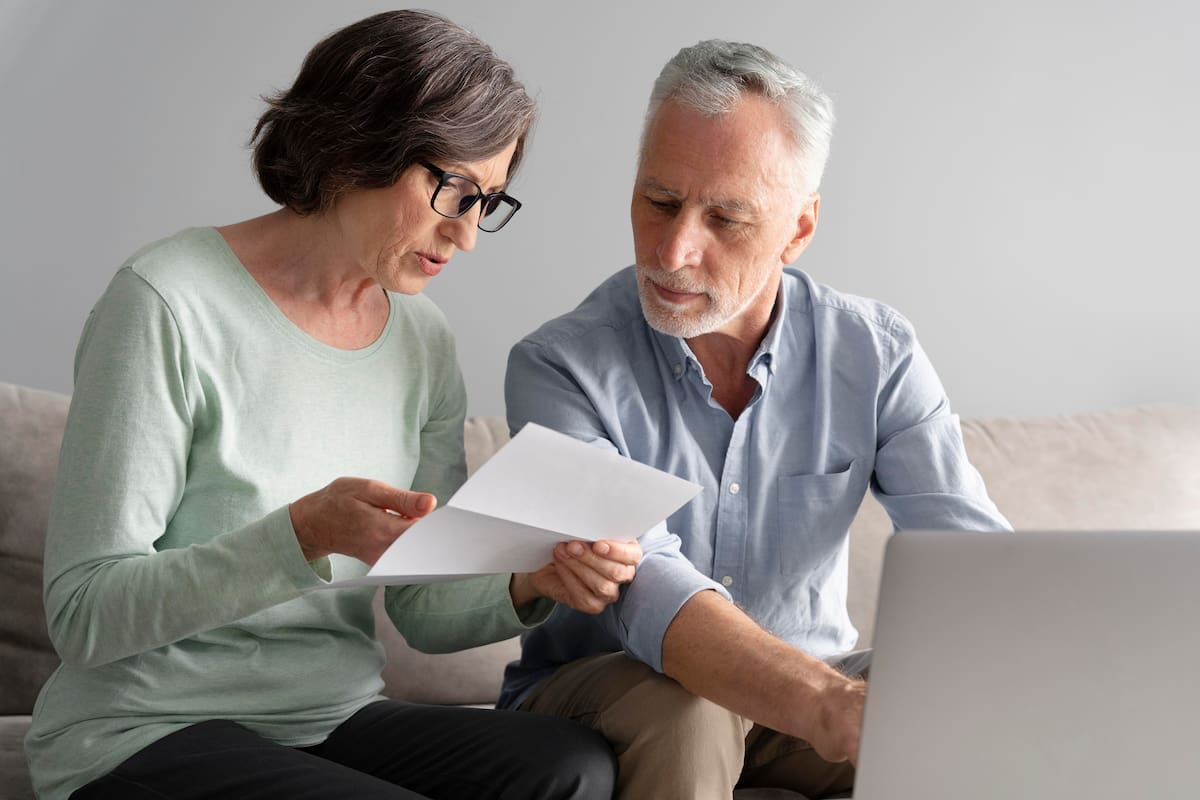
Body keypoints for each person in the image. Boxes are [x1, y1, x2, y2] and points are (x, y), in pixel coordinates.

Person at [25, 10, 641, 800]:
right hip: (144, 729)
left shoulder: (421, 341)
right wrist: (300, 535)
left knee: (571, 766)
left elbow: (423, 606)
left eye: (488, 201)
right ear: (358, 144)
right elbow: (85, 613)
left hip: (326, 719)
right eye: (453, 189)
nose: (468, 236)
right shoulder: (166, 302)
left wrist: (533, 584)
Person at [497, 38, 1012, 799]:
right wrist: (825, 703)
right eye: (659, 202)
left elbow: (971, 561)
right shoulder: (559, 367)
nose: (674, 251)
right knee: (689, 709)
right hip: (611, 690)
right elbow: (645, 584)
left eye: (726, 219)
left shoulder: (876, 352)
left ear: (798, 230)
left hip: (812, 683)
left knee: (968, 704)